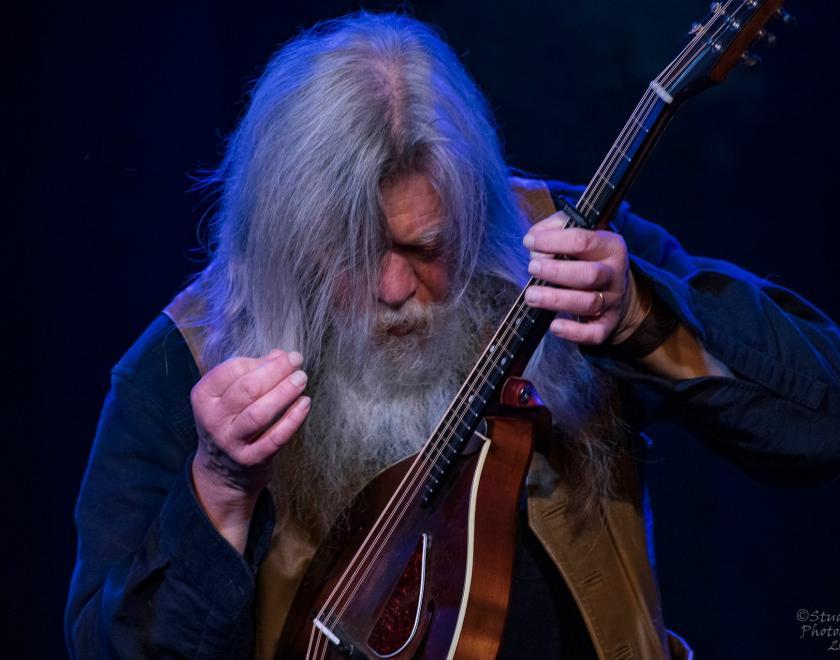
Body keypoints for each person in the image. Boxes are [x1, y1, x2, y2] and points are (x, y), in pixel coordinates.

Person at [65, 11, 840, 660]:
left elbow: (823, 418)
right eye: (356, 256)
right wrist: (220, 492)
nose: (397, 290)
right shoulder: (189, 358)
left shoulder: (561, 246)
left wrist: (643, 313)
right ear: (284, 238)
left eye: (427, 247)